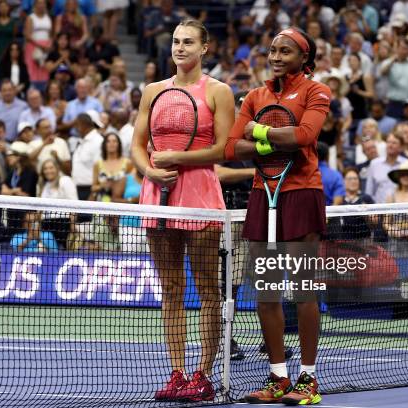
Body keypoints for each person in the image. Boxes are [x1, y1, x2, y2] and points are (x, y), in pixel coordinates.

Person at [224, 27, 330, 405]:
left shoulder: (317, 91)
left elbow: (303, 136)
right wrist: (267, 136)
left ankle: (308, 379)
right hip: (262, 194)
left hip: (302, 192)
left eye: (286, 51)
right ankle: (278, 377)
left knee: (303, 290)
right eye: (273, 50)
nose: (277, 55)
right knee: (266, 292)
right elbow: (232, 147)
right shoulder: (255, 95)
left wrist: (258, 131)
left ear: (305, 58)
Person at [130, 19, 234, 402]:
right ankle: (176, 372)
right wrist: (150, 171)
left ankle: (203, 374)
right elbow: (138, 145)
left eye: (189, 42)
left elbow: (223, 148)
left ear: (205, 48)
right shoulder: (153, 91)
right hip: (158, 192)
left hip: (200, 193)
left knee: (207, 289)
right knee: (171, 288)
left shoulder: (219, 91)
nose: (180, 47)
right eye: (176, 41)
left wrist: (178, 156)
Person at [38, 158, 78, 249]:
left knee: (62, 251)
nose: (48, 171)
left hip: (63, 223)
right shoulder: (44, 185)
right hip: (46, 223)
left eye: (51, 168)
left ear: (57, 168)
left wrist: (72, 224)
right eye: (45, 168)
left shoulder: (65, 180)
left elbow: (74, 203)